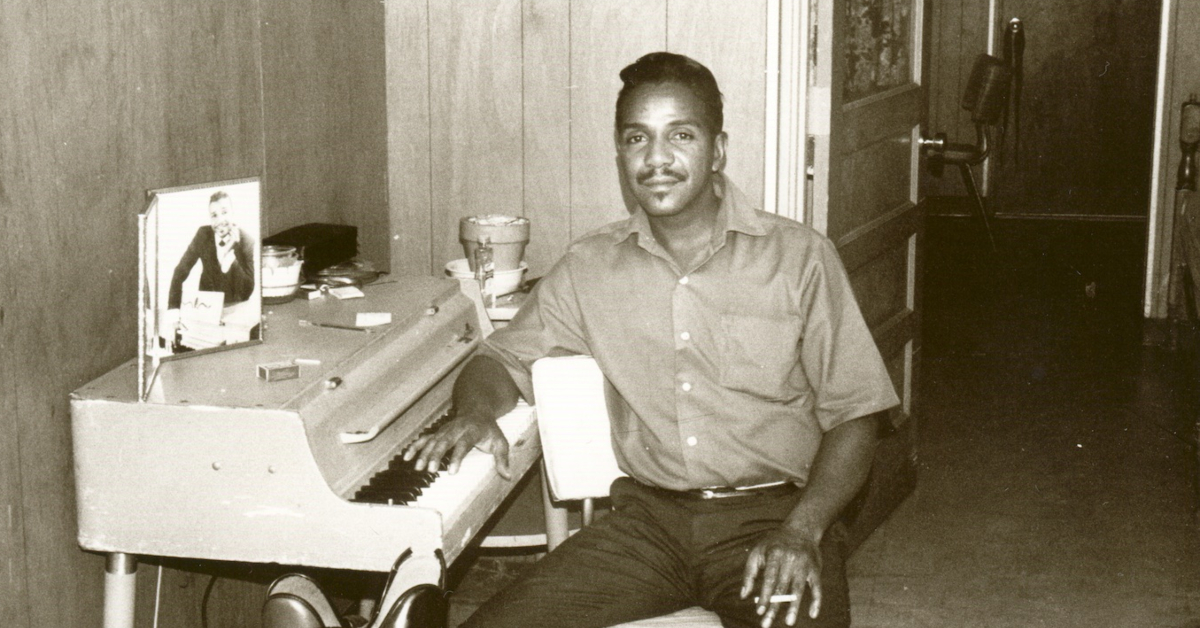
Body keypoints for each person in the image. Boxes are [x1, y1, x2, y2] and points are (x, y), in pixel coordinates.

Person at [404, 51, 899, 628]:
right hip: (647, 525)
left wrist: (804, 530)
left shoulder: (799, 259)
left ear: (717, 150)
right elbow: (499, 360)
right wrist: (474, 412)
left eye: (680, 135)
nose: (656, 159)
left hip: (773, 519)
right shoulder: (590, 266)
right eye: (637, 138)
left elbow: (858, 416)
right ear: (620, 154)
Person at [167, 190, 255, 310]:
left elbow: (247, 290)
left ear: (232, 213)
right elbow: (180, 271)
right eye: (214, 215)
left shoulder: (246, 241)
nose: (219, 220)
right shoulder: (203, 235)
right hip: (207, 307)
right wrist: (173, 310)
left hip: (235, 308)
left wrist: (229, 259)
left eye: (224, 212)